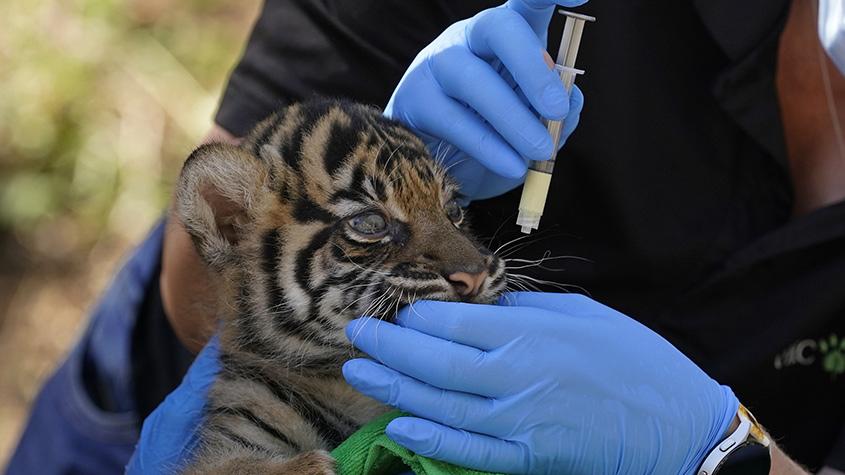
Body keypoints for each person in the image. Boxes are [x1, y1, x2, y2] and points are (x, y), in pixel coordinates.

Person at [7, 0, 845, 474]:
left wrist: (722, 453)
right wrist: (385, 166)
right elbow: (211, 239)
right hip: (198, 381)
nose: (472, 269)